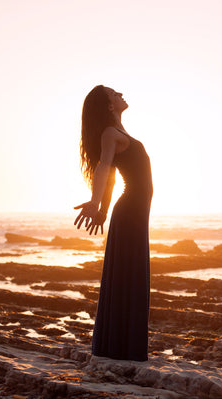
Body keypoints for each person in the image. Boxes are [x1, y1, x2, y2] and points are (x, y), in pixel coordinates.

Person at [74, 85, 153, 361]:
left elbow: (110, 176)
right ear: (109, 106)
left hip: (134, 212)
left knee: (130, 277)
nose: (120, 94)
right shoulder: (111, 134)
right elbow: (104, 168)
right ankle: (122, 350)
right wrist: (96, 203)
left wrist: (104, 210)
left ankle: (123, 348)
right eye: (114, 94)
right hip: (131, 211)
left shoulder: (120, 133)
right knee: (128, 277)